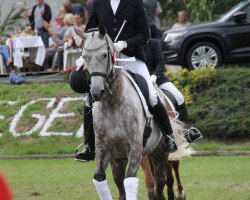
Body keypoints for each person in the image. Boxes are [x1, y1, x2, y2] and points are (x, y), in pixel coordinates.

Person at [74, 0, 177, 162]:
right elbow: (90, 34)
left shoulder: (135, 3)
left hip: (131, 59)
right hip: (105, 62)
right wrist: (83, 57)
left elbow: (145, 34)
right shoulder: (98, 3)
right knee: (89, 99)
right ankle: (88, 146)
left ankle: (169, 136)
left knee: (151, 95)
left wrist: (125, 44)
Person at [143, 38, 202, 142]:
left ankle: (187, 131)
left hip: (158, 79)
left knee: (179, 97)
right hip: (140, 80)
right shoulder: (131, 45)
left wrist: (154, 76)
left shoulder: (154, 43)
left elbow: (160, 63)